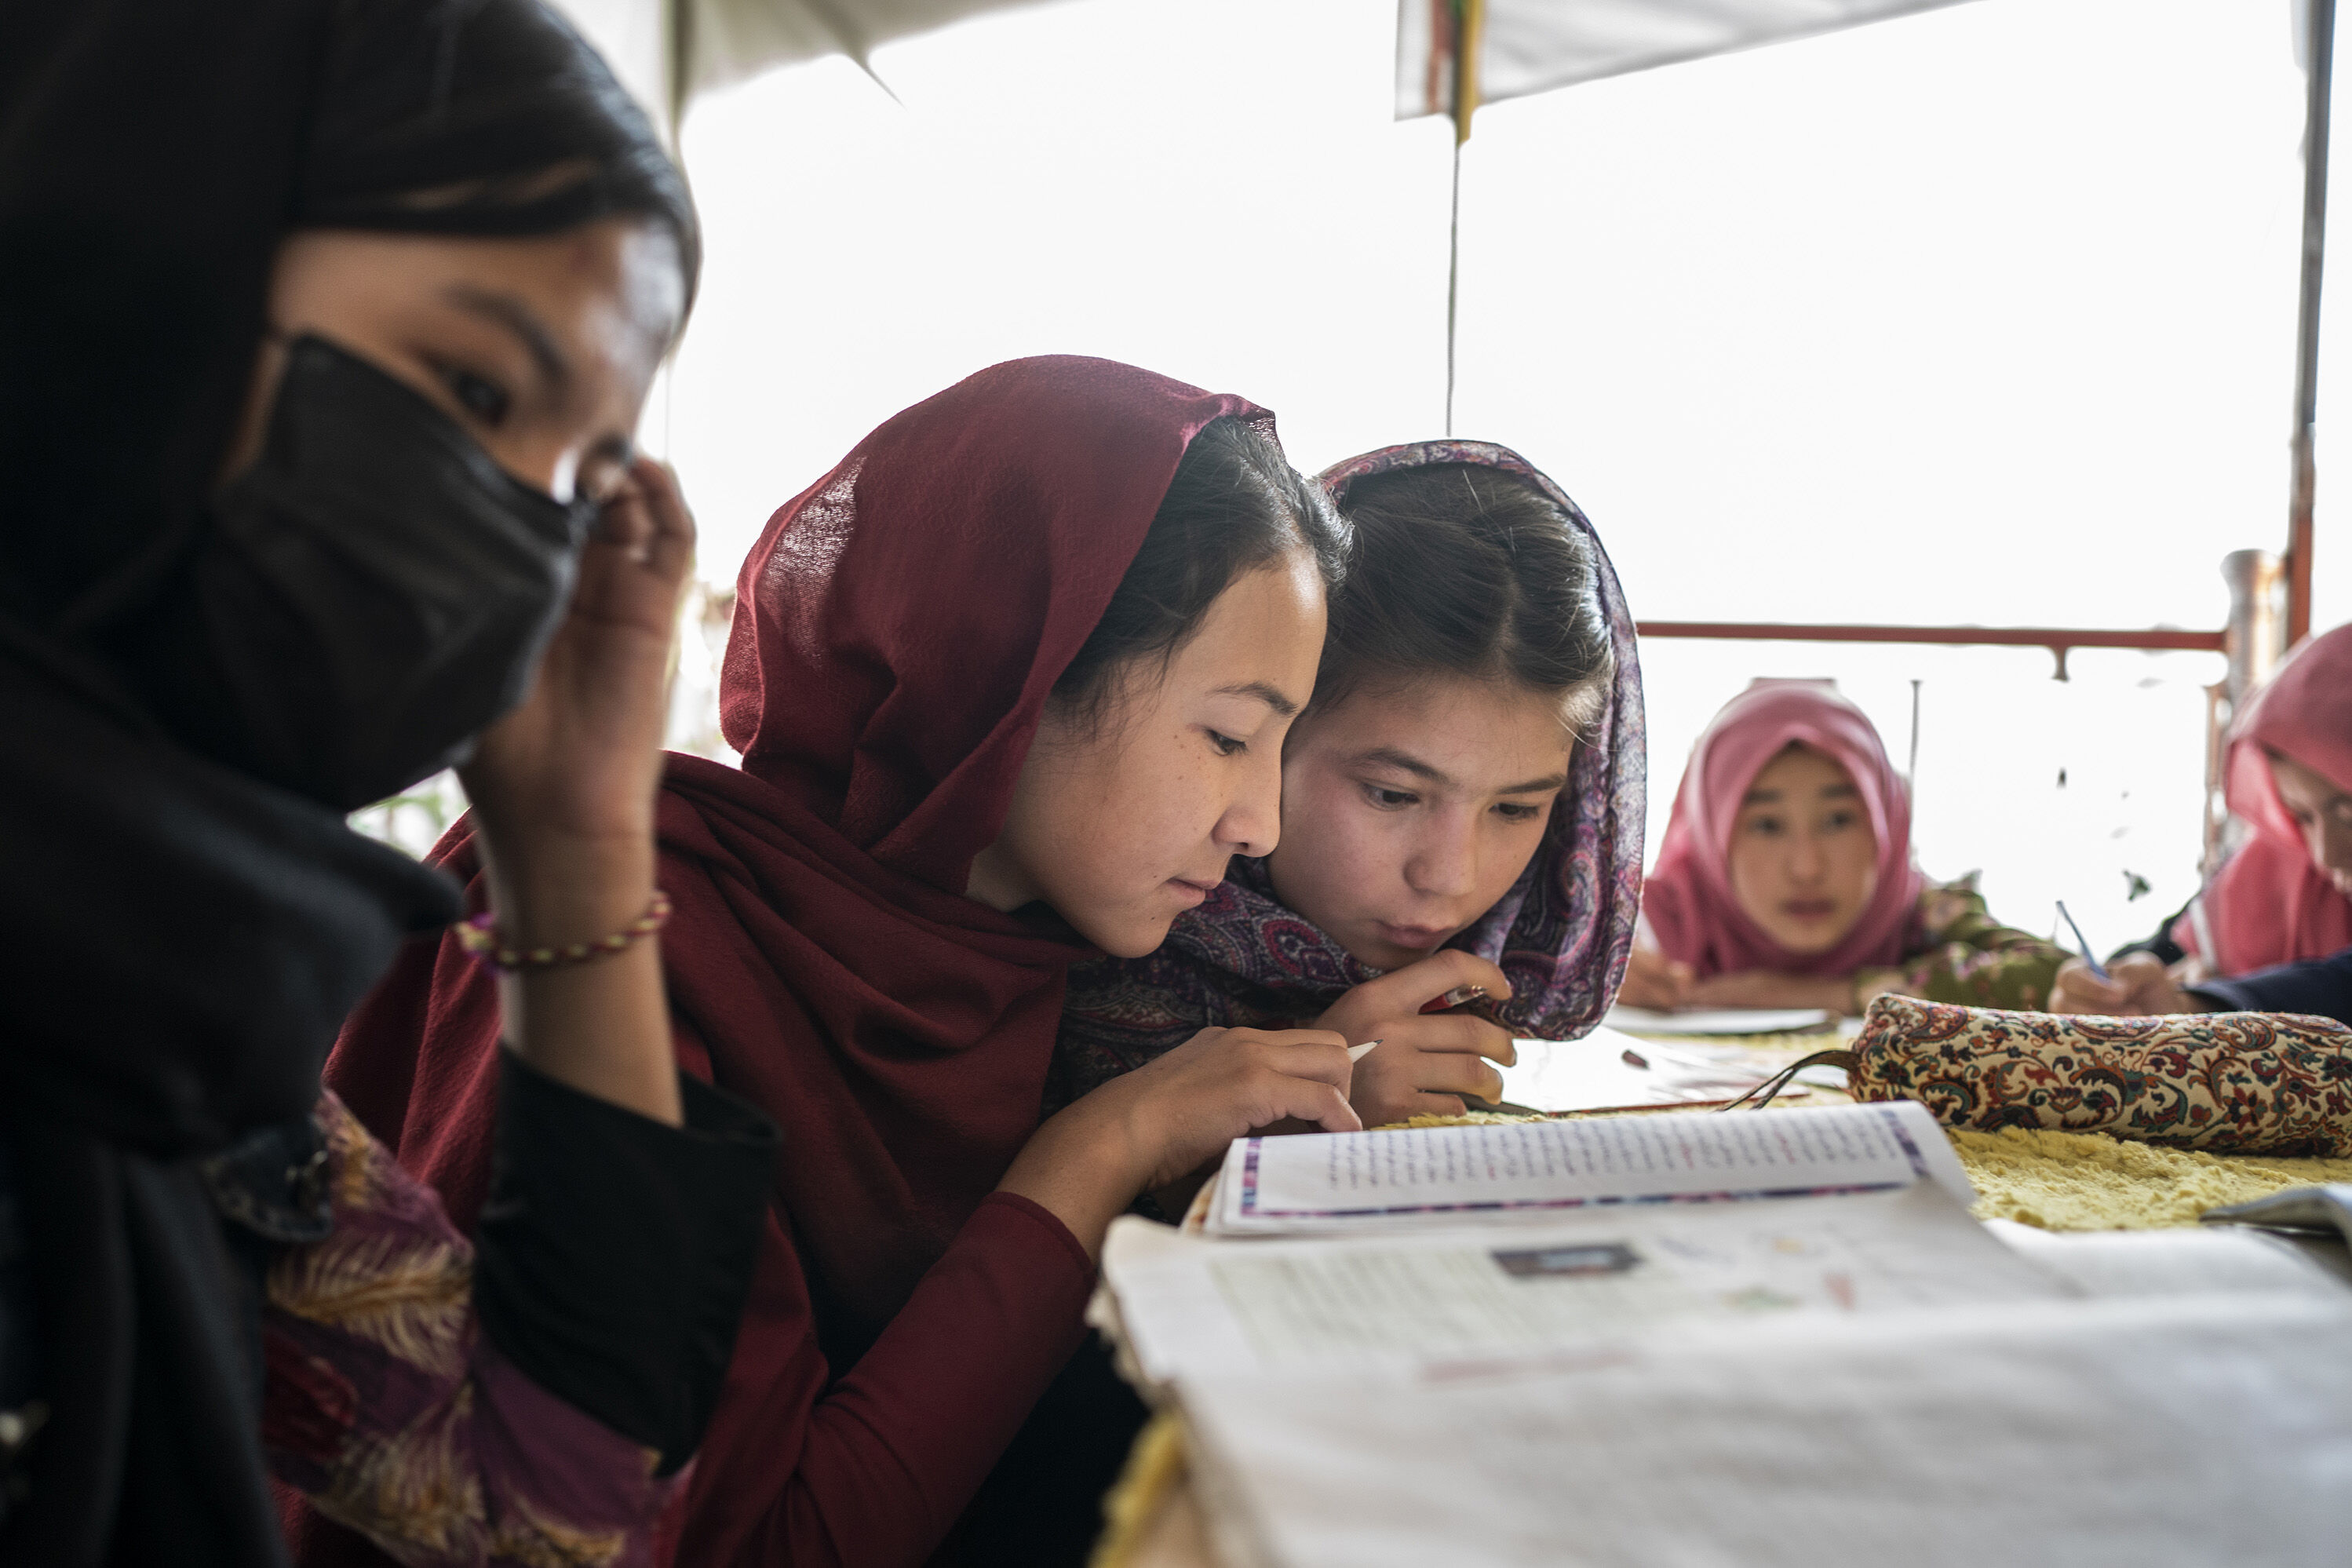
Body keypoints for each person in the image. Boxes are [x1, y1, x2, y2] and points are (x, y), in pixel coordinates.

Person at [315, 359, 1364, 1568]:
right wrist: (1091, 1157)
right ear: (1013, 674)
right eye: (1227, 734)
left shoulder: (1015, 961)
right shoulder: (605, 932)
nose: (1260, 825)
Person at [0, 2, 781, 1564]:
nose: (514, 552)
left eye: (572, 483)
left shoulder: (171, 1014)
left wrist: (571, 839)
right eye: (480, 393)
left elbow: (547, 1511)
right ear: (126, 235)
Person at [1056, 440, 1644, 1131]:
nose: (1450, 877)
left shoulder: (1507, 994)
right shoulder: (1087, 922)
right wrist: (1312, 1109)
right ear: (1272, 730)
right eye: (1392, 795)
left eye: (1515, 807)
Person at [1620, 681, 2066, 1016]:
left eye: (1838, 820)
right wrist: (1590, 981)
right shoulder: (1642, 924)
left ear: (1883, 821)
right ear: (1711, 833)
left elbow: (2055, 976)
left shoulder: (1920, 912)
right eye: (1767, 825)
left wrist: (1831, 994)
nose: (1807, 868)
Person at [2053, 623, 2352, 1019]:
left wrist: (2198, 1004)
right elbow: (2155, 958)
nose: (2326, 854)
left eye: (2348, 812)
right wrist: (2101, 991)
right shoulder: (2273, 867)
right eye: (2302, 817)